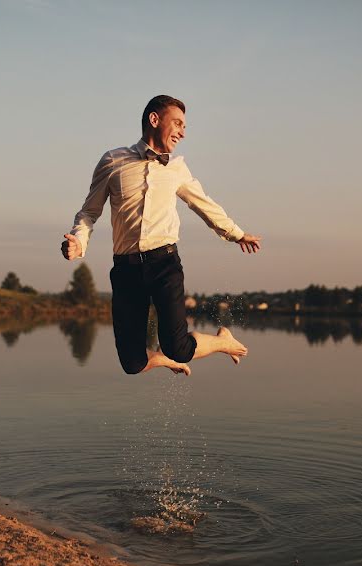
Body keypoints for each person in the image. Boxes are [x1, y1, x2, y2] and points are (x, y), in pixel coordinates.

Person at [61, 95, 262, 376]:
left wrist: (237, 234)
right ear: (154, 120)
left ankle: (220, 341)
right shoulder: (112, 161)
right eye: (178, 123)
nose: (182, 132)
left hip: (164, 264)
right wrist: (79, 241)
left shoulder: (177, 169)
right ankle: (165, 359)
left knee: (178, 347)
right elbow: (88, 212)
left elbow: (204, 204)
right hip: (126, 269)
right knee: (132, 365)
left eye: (184, 126)